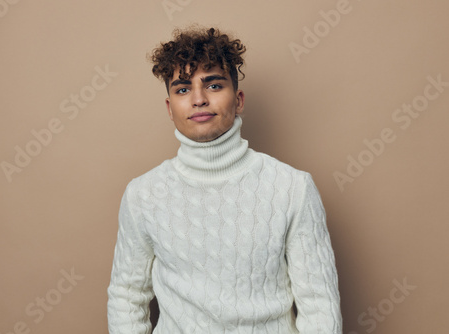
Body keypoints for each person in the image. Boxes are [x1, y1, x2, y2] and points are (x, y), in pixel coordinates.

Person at [107, 26, 342, 334]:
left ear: (239, 100)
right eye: (182, 89)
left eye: (214, 85)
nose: (198, 99)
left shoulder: (293, 188)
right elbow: (126, 296)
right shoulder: (143, 194)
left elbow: (320, 306)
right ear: (169, 108)